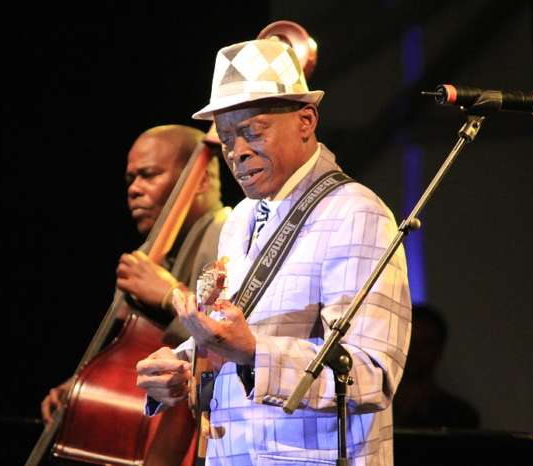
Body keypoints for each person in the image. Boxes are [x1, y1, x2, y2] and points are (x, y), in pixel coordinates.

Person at [136, 39, 412, 465]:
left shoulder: (356, 213)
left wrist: (253, 352)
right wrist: (183, 365)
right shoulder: (240, 220)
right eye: (227, 137)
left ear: (306, 121)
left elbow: (372, 374)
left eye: (252, 131)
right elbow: (235, 340)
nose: (237, 151)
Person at [41, 124, 230, 424]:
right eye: (130, 179)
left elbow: (235, 341)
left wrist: (171, 296)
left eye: (149, 175)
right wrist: (84, 383)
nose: (134, 189)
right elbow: (127, 355)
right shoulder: (149, 255)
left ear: (202, 179)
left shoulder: (230, 237)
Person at [393, 304, 480, 429]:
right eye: (409, 342)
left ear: (439, 350)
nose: (414, 351)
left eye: (425, 344)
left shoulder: (461, 416)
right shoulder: (371, 410)